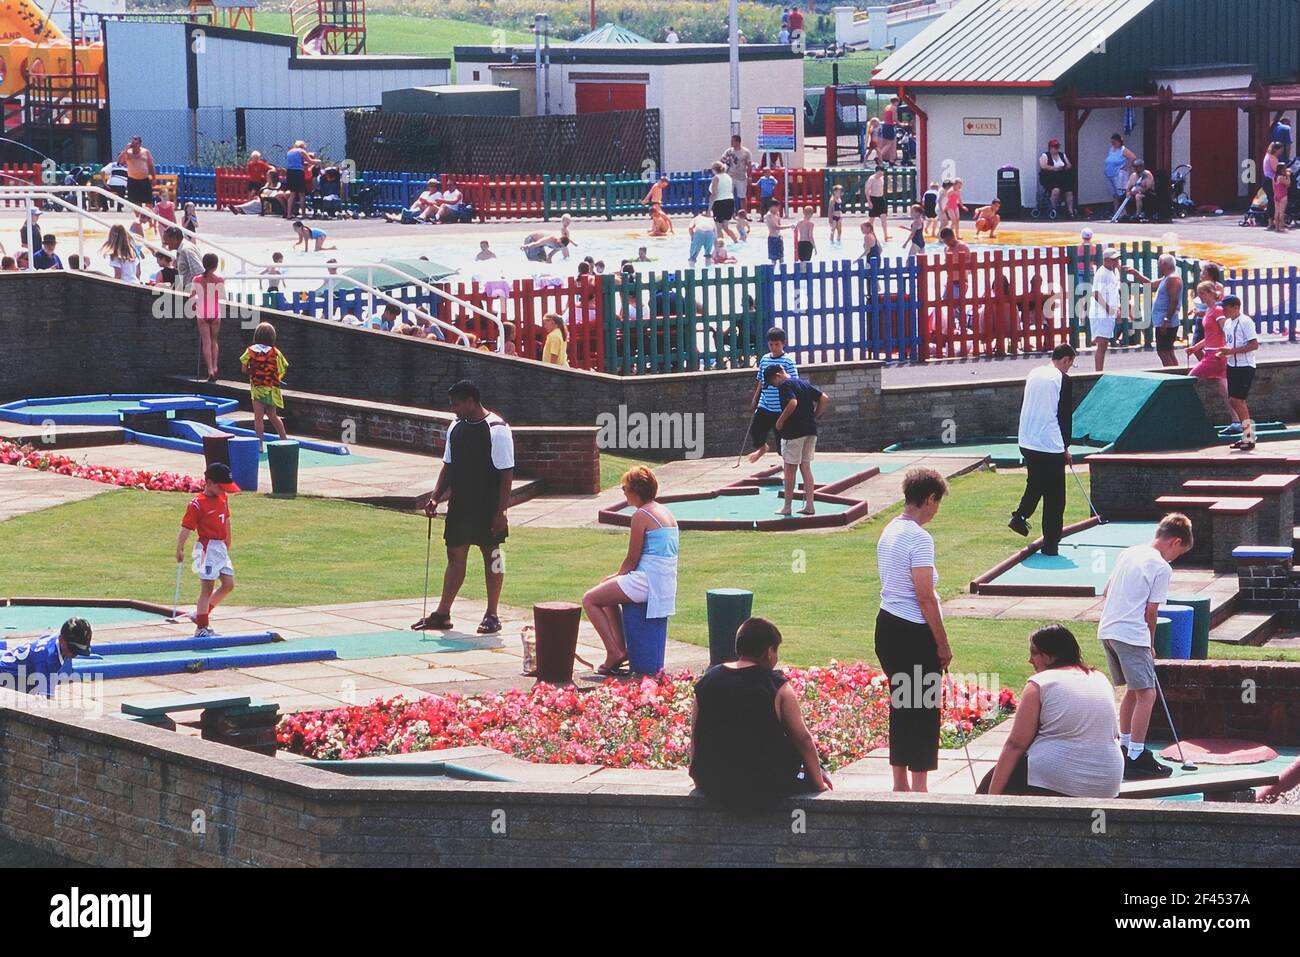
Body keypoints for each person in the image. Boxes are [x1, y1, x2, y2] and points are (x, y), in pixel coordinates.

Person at [689, 617, 831, 805]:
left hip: (713, 783)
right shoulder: (777, 686)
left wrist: (698, 777)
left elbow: (696, 735)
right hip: (765, 785)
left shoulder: (706, 681)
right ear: (769, 652)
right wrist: (819, 783)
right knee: (818, 771)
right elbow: (802, 739)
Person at [1098, 512, 1194, 779]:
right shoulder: (1162, 567)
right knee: (1147, 694)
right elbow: (1151, 612)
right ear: (1175, 542)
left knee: (1134, 690)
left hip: (1108, 630)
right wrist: (1150, 645)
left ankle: (1126, 747)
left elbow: (1106, 592)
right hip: (1132, 634)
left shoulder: (1129, 553)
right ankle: (1137, 754)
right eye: (1179, 553)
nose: (1176, 558)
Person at [414, 380, 515, 636]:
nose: (453, 409)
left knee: (492, 555)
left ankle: (492, 613)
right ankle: (443, 613)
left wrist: (501, 512)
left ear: (471, 401)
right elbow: (448, 464)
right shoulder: (455, 426)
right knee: (455, 556)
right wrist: (436, 497)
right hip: (461, 503)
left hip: (488, 504)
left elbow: (506, 474)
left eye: (456, 404)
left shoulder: (497, 429)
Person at [979, 624, 1124, 798]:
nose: (1030, 660)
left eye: (1034, 653)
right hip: (1108, 781)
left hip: (1057, 779)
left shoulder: (1039, 683)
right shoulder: (1100, 678)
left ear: (1049, 655)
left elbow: (1016, 745)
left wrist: (989, 799)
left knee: (990, 783)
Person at [875, 468, 952, 793]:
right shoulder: (919, 538)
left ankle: (900, 782)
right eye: (937, 503)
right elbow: (924, 596)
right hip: (912, 631)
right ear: (930, 498)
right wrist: (943, 644)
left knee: (903, 703)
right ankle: (919, 787)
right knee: (922, 708)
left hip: (887, 626)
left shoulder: (890, 529)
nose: (936, 511)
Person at [581, 466, 679, 675]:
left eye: (624, 487)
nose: (623, 491)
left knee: (590, 599)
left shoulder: (641, 515)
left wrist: (617, 575)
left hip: (647, 581)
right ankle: (619, 649)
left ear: (636, 490)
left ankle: (613, 651)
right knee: (606, 593)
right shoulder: (664, 511)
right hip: (663, 580)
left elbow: (632, 559)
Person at [1009, 343, 1076, 554]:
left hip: (1027, 440)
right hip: (1049, 444)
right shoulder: (1063, 379)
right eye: (1069, 364)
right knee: (1055, 497)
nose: (1068, 369)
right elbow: (1064, 416)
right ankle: (1051, 544)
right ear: (1065, 360)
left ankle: (1020, 516)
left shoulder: (1034, 372)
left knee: (1036, 483)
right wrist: (1065, 446)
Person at [177, 462, 240, 638]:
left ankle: (200, 615)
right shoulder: (197, 504)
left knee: (228, 584)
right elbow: (186, 528)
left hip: (220, 547)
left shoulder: (223, 498)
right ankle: (202, 628)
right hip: (206, 548)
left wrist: (228, 540)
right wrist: (180, 548)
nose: (224, 491)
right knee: (207, 588)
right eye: (221, 487)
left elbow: (226, 519)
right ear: (210, 483)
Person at [766, 365, 828, 516]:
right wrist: (814, 416)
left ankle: (787, 507)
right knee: (805, 467)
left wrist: (780, 421)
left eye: (772, 381)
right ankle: (810, 506)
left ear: (778, 375)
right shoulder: (802, 383)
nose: (774, 385)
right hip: (810, 431)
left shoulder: (784, 385)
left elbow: (792, 403)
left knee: (789, 469)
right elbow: (824, 398)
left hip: (793, 432)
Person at [0, 618, 93, 698]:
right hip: (6, 676)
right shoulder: (48, 660)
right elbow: (47, 705)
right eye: (73, 649)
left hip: (18, 671)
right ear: (62, 640)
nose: (75, 654)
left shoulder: (57, 640)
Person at [747, 327, 797, 463]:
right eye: (771, 345)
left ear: (783, 344)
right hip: (765, 404)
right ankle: (762, 448)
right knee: (756, 431)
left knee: (782, 441)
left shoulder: (788, 361)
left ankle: (787, 465)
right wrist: (755, 399)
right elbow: (761, 381)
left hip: (781, 408)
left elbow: (794, 382)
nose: (774, 348)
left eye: (777, 345)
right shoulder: (764, 359)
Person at [1186, 280, 1232, 426]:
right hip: (1213, 352)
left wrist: (1229, 348)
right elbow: (1209, 336)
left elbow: (1226, 330)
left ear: (1211, 293)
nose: (1201, 297)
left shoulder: (1217, 311)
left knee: (1190, 379)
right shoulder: (1208, 311)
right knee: (1224, 390)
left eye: (1202, 294)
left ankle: (1191, 415)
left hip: (1215, 354)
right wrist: (1195, 348)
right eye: (1199, 294)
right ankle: (1236, 420)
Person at [1124, 254, 1183, 366]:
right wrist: (1136, 274)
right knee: (1167, 351)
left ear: (1165, 265)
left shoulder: (1173, 279)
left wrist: (1166, 320)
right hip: (1163, 321)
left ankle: (1173, 376)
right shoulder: (1167, 278)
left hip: (1166, 322)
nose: (1158, 267)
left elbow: (1174, 301)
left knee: (1164, 352)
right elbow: (1150, 285)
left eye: (1159, 265)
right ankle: (1176, 374)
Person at [239, 321, 290, 448]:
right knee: (273, 415)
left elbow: (244, 369)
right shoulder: (275, 352)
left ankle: (260, 445)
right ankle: (285, 440)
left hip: (257, 388)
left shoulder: (250, 351)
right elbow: (283, 367)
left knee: (258, 417)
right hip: (272, 387)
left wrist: (253, 372)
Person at [1220, 295, 1260, 451]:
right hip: (1232, 365)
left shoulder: (1245, 321)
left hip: (1245, 366)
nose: (1223, 310)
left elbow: (1254, 344)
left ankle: (1249, 436)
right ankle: (1247, 434)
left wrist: (1232, 351)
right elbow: (1230, 343)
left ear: (1235, 307)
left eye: (1226, 307)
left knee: (1238, 400)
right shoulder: (1228, 323)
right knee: (1233, 400)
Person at [191, 253, 225, 382]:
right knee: (214, 340)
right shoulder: (220, 279)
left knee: (206, 341)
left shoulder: (197, 279)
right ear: (216, 266)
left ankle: (209, 369)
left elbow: (192, 296)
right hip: (215, 311)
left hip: (203, 311)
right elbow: (221, 296)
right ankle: (215, 366)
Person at [1089, 247, 1122, 371]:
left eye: (1117, 259)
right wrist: (1108, 309)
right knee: (1102, 344)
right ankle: (1098, 372)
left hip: (1106, 313)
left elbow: (1113, 292)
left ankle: (1099, 370)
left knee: (1104, 344)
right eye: (1114, 260)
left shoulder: (1111, 272)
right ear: (1106, 260)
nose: (1116, 262)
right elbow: (1096, 293)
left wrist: (1116, 309)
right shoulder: (1102, 273)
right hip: (1101, 313)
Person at [1038, 139, 1076, 217]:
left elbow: (1069, 165)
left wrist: (1064, 167)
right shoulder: (1045, 155)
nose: (1056, 149)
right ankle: (1053, 210)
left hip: (1062, 178)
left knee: (1069, 192)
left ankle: (1070, 212)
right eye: (1054, 147)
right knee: (1056, 191)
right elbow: (1043, 166)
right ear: (1050, 147)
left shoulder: (1062, 155)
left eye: (1057, 147)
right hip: (1050, 178)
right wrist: (1054, 168)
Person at [116, 135, 155, 211]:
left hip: (144, 180)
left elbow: (150, 165)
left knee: (148, 202)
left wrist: (154, 178)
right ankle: (138, 219)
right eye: (133, 143)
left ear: (140, 144)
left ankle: (151, 220)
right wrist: (125, 150)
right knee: (135, 203)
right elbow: (119, 161)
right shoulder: (127, 153)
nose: (134, 145)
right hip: (132, 180)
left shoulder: (145, 152)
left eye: (136, 143)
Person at [1104, 133, 1137, 215]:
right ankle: (1116, 212)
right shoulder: (1111, 149)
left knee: (1121, 194)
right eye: (1112, 142)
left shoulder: (1123, 150)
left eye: (1114, 142)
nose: (1113, 144)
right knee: (1114, 194)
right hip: (1110, 174)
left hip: (1119, 175)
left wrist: (1127, 166)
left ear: (1119, 142)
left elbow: (1133, 157)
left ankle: (1124, 212)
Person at [721, 134, 752, 214]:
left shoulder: (746, 152)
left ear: (738, 142)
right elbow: (722, 160)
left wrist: (749, 177)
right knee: (728, 195)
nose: (731, 143)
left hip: (741, 176)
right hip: (730, 176)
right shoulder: (729, 151)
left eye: (733, 141)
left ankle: (744, 213)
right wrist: (725, 160)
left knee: (742, 196)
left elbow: (749, 165)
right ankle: (729, 213)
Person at [708, 161, 737, 242]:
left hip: (720, 203)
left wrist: (709, 209)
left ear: (714, 169)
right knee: (726, 227)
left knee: (718, 228)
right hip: (729, 201)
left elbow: (714, 194)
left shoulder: (716, 178)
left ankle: (721, 246)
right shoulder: (728, 177)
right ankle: (736, 241)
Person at [285, 140, 314, 218]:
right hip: (298, 172)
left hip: (289, 172)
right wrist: (318, 162)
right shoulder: (301, 151)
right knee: (301, 194)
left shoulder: (289, 152)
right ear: (302, 146)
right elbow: (310, 161)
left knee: (292, 193)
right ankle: (303, 214)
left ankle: (289, 214)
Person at [864, 165, 890, 241]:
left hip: (881, 198)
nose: (881, 175)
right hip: (873, 198)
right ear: (876, 172)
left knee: (884, 217)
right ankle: (871, 234)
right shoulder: (871, 179)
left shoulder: (881, 178)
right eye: (879, 173)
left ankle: (886, 235)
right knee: (872, 219)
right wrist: (869, 202)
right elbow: (866, 191)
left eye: (882, 173)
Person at [1262, 142, 1281, 227]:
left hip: (1266, 180)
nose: (1280, 152)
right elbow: (1276, 170)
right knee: (1273, 200)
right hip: (1271, 181)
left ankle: (1272, 220)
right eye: (1280, 150)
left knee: (1271, 200)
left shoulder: (1267, 156)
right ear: (1276, 149)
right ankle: (1271, 221)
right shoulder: (1273, 158)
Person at [879, 95, 901, 164]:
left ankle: (892, 160)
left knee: (893, 143)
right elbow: (894, 119)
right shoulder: (894, 108)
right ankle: (879, 157)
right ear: (896, 102)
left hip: (885, 126)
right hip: (890, 126)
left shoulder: (887, 107)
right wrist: (900, 124)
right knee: (890, 143)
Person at [1274, 166, 1291, 233]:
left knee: (1276, 212)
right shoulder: (1281, 177)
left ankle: (1276, 227)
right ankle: (1281, 227)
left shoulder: (1274, 177)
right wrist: (1288, 176)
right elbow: (1288, 184)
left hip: (1276, 194)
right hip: (1283, 195)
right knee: (1281, 212)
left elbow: (1274, 187)